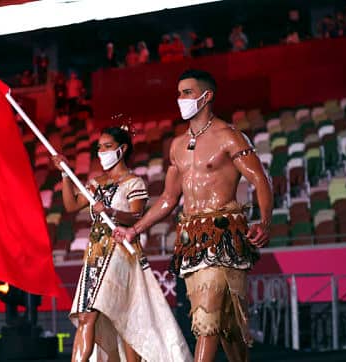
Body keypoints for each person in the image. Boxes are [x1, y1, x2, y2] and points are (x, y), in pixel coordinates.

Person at [114, 69, 273, 362]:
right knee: (225, 327)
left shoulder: (230, 137)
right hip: (191, 240)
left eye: (187, 92)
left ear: (206, 95)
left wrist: (264, 221)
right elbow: (168, 199)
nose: (180, 99)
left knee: (207, 319)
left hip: (224, 235)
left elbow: (260, 180)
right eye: (179, 93)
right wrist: (135, 230)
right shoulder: (176, 145)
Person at [53, 127, 191, 362]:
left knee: (121, 317)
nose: (101, 152)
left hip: (120, 252)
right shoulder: (96, 183)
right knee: (86, 315)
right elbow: (71, 206)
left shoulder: (134, 182)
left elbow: (137, 216)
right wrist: (65, 175)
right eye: (99, 148)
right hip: (94, 255)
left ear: (122, 148)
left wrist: (112, 212)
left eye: (107, 147)